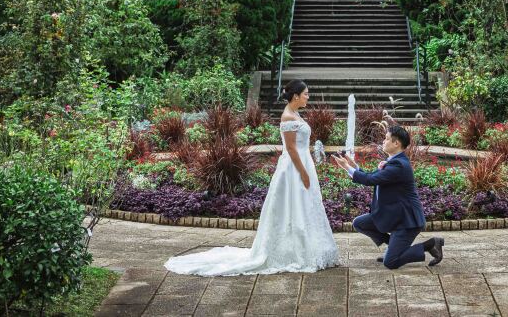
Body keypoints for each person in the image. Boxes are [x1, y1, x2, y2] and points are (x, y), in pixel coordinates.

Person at [164, 79, 339, 276]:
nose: (308, 97)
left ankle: (307, 247)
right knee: (293, 204)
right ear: (296, 96)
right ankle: (294, 251)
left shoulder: (296, 114)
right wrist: (304, 173)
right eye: (306, 93)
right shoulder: (288, 117)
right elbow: (290, 149)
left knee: (304, 205)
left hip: (303, 163)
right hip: (294, 168)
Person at [333, 125, 444, 269]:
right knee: (359, 223)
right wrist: (355, 167)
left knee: (391, 262)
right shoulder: (393, 162)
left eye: (386, 139)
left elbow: (370, 180)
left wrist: (346, 167)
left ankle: (430, 244)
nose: (383, 141)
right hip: (393, 215)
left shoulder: (398, 165)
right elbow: (373, 177)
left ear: (396, 143)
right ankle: (394, 247)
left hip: (407, 221)